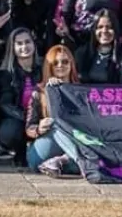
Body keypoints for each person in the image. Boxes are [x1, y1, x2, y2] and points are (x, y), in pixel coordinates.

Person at [26, 45, 82, 176]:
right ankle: (66, 160)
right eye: (55, 62)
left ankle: (62, 161)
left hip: (74, 140)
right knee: (57, 124)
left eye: (65, 62)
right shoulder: (39, 92)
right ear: (49, 66)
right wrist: (39, 128)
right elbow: (29, 127)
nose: (60, 65)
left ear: (71, 64)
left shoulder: (80, 91)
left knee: (89, 161)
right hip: (50, 139)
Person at [0, 28, 41, 165]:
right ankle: (19, 150)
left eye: (27, 42)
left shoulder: (44, 67)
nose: (24, 47)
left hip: (41, 117)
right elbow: (5, 104)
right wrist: (27, 118)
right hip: (18, 118)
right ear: (13, 48)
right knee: (9, 132)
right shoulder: (6, 73)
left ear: (34, 44)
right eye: (19, 43)